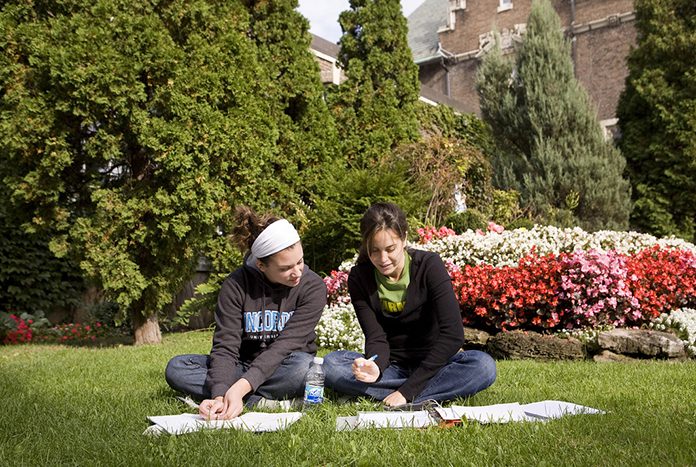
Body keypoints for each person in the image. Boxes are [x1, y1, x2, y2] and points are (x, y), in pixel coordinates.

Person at [324, 202, 496, 407]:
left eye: (390, 249)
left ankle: (401, 396)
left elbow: (453, 335)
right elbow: (376, 338)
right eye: (374, 251)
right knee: (331, 365)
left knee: (483, 366)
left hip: (435, 364)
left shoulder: (429, 266)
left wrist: (407, 391)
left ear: (404, 238)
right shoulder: (360, 278)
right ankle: (429, 393)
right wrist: (375, 366)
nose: (383, 259)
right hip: (393, 366)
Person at [165, 206, 327, 420]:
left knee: (304, 369)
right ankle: (259, 400)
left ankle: (243, 395)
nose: (297, 272)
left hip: (285, 365)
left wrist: (239, 388)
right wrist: (220, 393)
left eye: (300, 261)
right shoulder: (235, 285)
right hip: (241, 365)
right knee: (177, 368)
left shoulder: (313, 286)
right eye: (286, 268)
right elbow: (225, 346)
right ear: (261, 265)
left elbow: (283, 347)